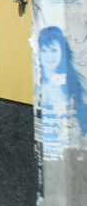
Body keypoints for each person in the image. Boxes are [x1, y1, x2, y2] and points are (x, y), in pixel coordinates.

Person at [39, 26, 87, 157]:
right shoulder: (40, 84)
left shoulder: (74, 82)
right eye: (44, 50)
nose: (49, 56)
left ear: (62, 51)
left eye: (54, 50)